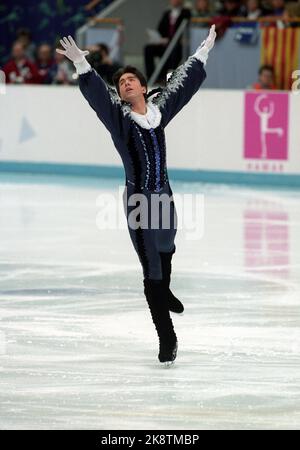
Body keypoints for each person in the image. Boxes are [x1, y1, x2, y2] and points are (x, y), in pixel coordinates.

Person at [56, 25, 216, 366]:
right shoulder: (120, 120)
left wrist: (201, 54)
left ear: (143, 87)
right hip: (140, 203)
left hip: (165, 196)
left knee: (168, 246)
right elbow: (99, 97)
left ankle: (166, 290)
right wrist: (83, 67)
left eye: (131, 80)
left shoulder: (158, 112)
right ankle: (167, 335)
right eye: (121, 83)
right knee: (152, 269)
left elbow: (181, 88)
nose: (126, 83)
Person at [144, 0, 192, 82]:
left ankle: (165, 76)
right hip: (165, 43)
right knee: (148, 48)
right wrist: (159, 39)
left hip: (177, 44)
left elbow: (184, 30)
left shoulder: (186, 13)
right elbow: (160, 29)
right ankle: (152, 77)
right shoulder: (167, 13)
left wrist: (170, 40)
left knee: (174, 50)